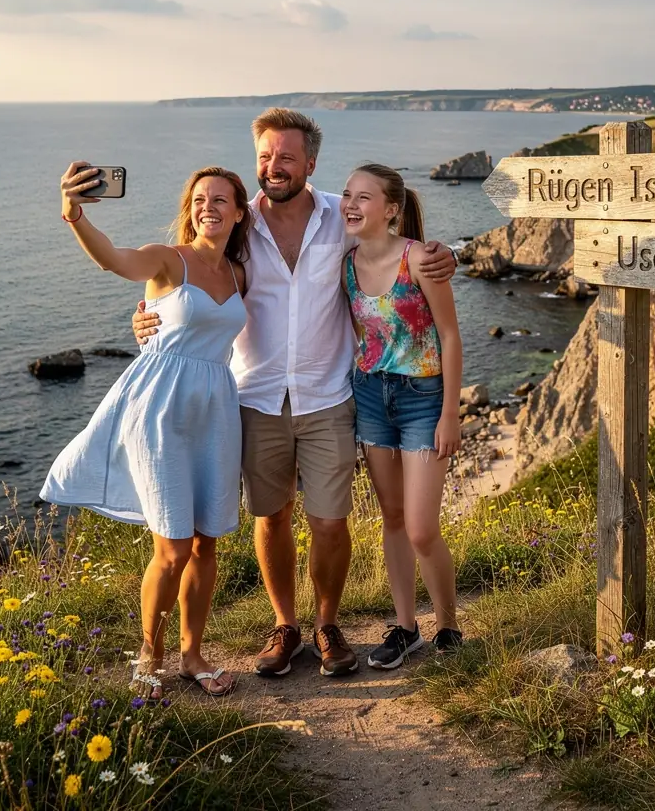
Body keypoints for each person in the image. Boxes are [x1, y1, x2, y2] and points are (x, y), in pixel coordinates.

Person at [132, 108, 457, 677]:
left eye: (286, 157)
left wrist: (444, 252)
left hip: (329, 395)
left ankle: (327, 624)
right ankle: (285, 625)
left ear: (309, 162)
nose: (273, 167)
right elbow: (185, 277)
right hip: (254, 396)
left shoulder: (342, 216)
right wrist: (144, 317)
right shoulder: (237, 224)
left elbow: (394, 247)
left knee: (331, 523)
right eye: (264, 156)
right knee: (271, 519)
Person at [41, 162, 251, 698]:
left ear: (239, 212)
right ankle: (148, 655)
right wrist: (74, 216)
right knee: (173, 548)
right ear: (191, 209)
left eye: (221, 200)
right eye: (200, 199)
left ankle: (193, 654)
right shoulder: (167, 260)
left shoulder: (239, 273)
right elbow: (115, 260)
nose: (209, 207)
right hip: (159, 410)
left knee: (207, 545)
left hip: (216, 412)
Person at [341, 164, 463, 669]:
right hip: (370, 395)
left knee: (420, 528)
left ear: (391, 209)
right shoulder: (345, 265)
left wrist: (450, 414)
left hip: (422, 399)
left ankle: (450, 625)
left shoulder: (421, 261)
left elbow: (451, 337)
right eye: (347, 195)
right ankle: (406, 627)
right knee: (391, 518)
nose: (350, 204)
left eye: (363, 197)